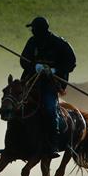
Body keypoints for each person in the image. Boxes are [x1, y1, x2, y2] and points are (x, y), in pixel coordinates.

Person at [19, 16, 76, 157]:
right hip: (32, 81)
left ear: (40, 30)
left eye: (33, 28)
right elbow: (23, 60)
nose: (32, 31)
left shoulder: (60, 44)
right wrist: (36, 66)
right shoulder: (32, 42)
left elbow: (71, 63)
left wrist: (55, 70)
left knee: (50, 109)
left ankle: (53, 144)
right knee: (16, 105)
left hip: (51, 84)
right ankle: (14, 142)